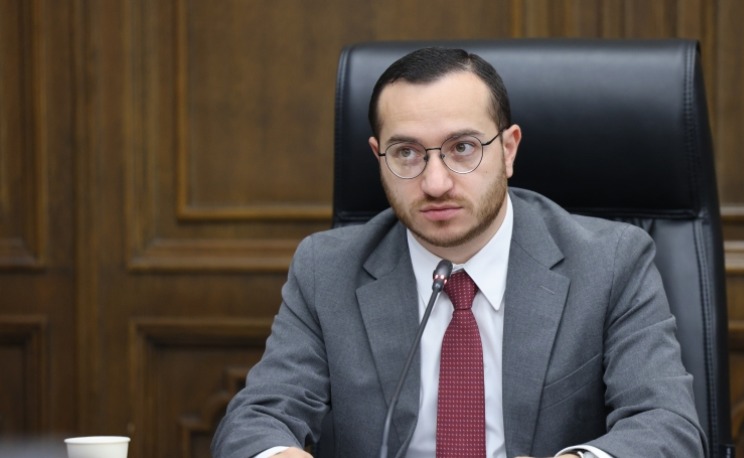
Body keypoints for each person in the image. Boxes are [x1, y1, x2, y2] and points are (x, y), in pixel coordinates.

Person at [212, 47, 706, 458]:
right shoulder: (327, 269)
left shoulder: (611, 262)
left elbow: (667, 425)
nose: (435, 182)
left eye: (462, 148)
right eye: (407, 153)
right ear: (378, 158)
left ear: (508, 150)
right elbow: (256, 421)